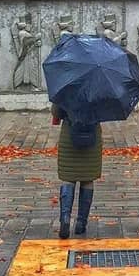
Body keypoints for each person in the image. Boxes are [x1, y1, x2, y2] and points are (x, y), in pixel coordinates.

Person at [51, 102, 103, 239]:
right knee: (88, 179)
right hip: (92, 137)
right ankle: (81, 223)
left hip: (69, 136)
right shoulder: (99, 92)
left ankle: (65, 218)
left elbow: (56, 112)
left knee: (68, 178)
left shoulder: (66, 91)